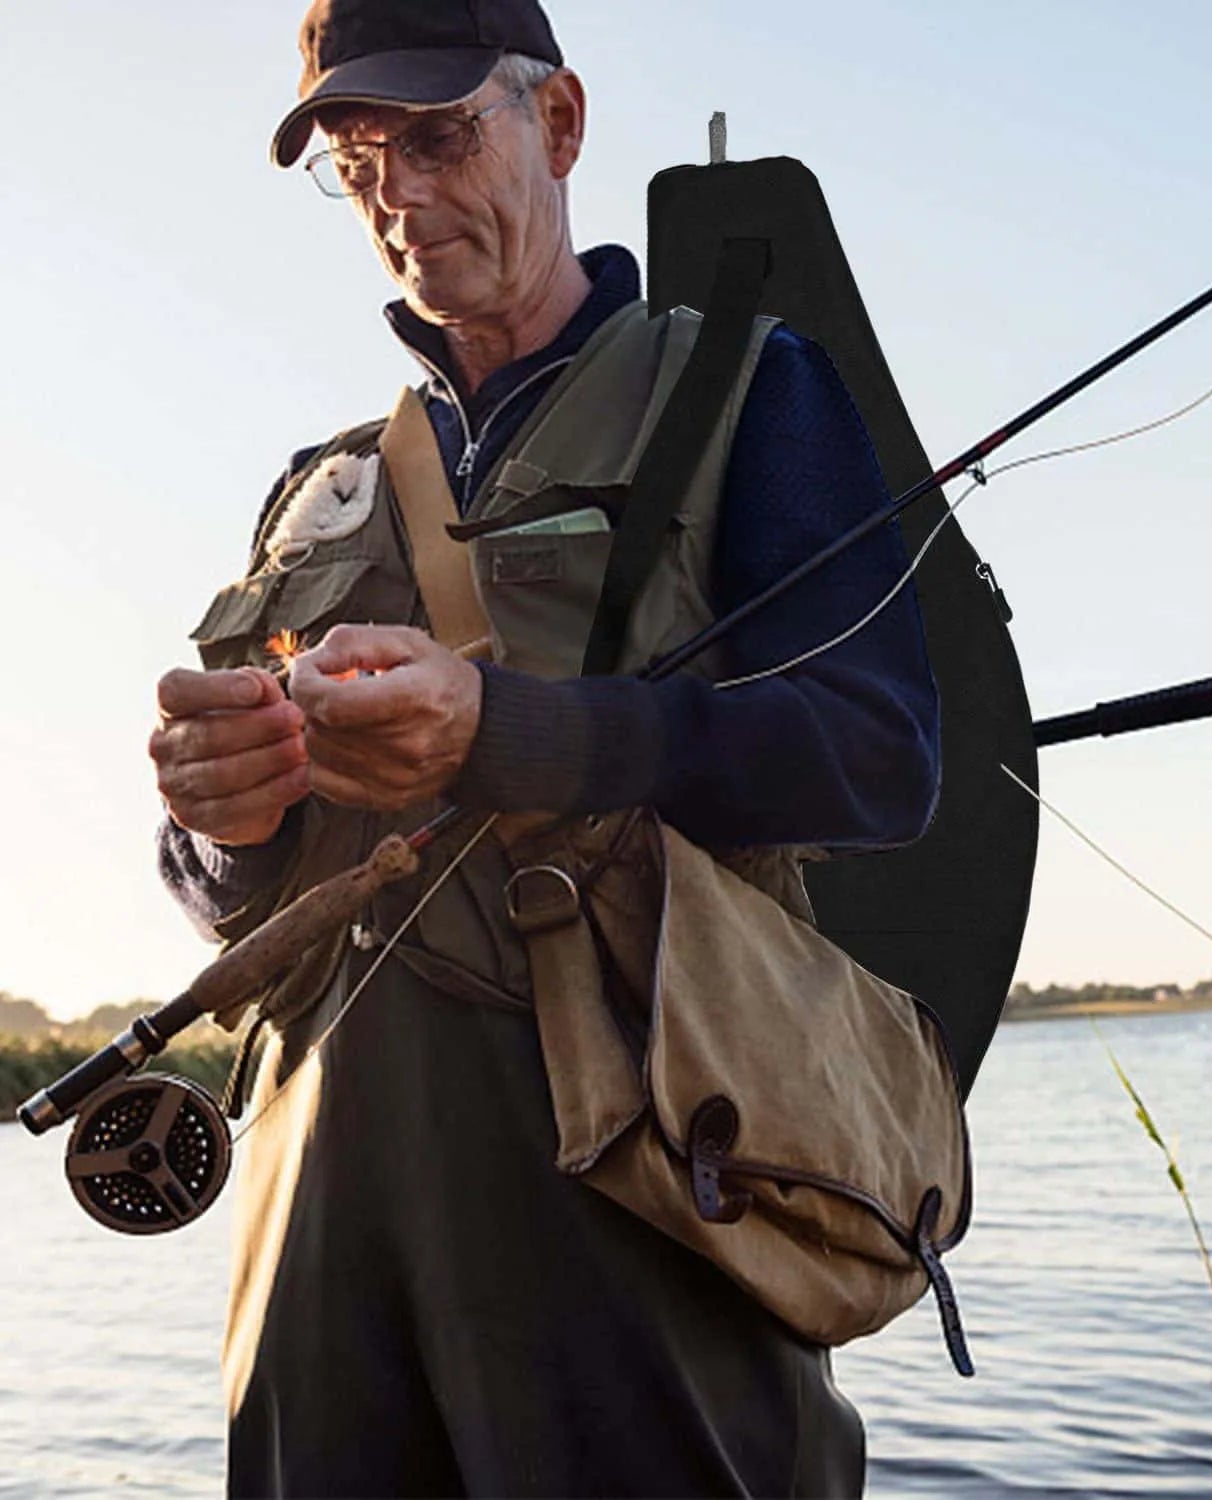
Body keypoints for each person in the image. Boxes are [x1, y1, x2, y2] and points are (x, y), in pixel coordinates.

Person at [151, 1, 942, 1494]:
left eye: (438, 137)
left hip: (640, 1175)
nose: (400, 191)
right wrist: (221, 824)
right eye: (356, 154)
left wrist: (507, 731)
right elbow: (231, 894)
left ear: (560, 124)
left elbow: (880, 760)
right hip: (312, 1221)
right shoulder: (308, 489)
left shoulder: (750, 393)